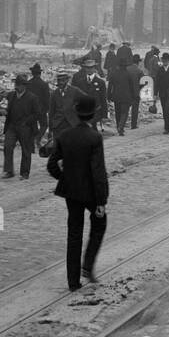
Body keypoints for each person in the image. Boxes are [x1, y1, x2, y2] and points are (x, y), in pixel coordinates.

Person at [48, 93, 110, 289]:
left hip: (71, 193)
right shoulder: (94, 137)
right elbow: (98, 171)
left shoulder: (64, 136)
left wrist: (66, 178)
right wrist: (101, 200)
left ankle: (73, 281)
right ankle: (88, 264)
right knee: (99, 224)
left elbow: (51, 166)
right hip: (91, 193)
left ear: (77, 113)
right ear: (92, 115)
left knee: (74, 233)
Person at [1, 73, 42, 177]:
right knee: (7, 147)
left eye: (19, 85)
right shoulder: (10, 95)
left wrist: (27, 122)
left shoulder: (32, 98)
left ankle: (24, 172)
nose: (17, 87)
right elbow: (3, 107)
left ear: (24, 86)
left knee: (26, 150)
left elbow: (37, 114)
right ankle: (9, 171)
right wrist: (1, 111)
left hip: (26, 128)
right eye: (16, 84)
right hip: (11, 126)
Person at [73, 57, 110, 129]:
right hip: (83, 111)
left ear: (94, 68)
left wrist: (104, 115)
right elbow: (76, 97)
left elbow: (103, 98)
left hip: (96, 111)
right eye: (87, 68)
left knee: (92, 128)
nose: (89, 69)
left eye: (91, 67)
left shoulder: (100, 82)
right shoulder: (80, 82)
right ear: (85, 68)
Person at [48, 70, 83, 142]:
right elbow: (51, 112)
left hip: (72, 123)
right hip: (58, 125)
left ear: (67, 81)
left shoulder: (75, 91)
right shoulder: (54, 94)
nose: (60, 82)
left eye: (63, 80)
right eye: (59, 81)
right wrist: (50, 128)